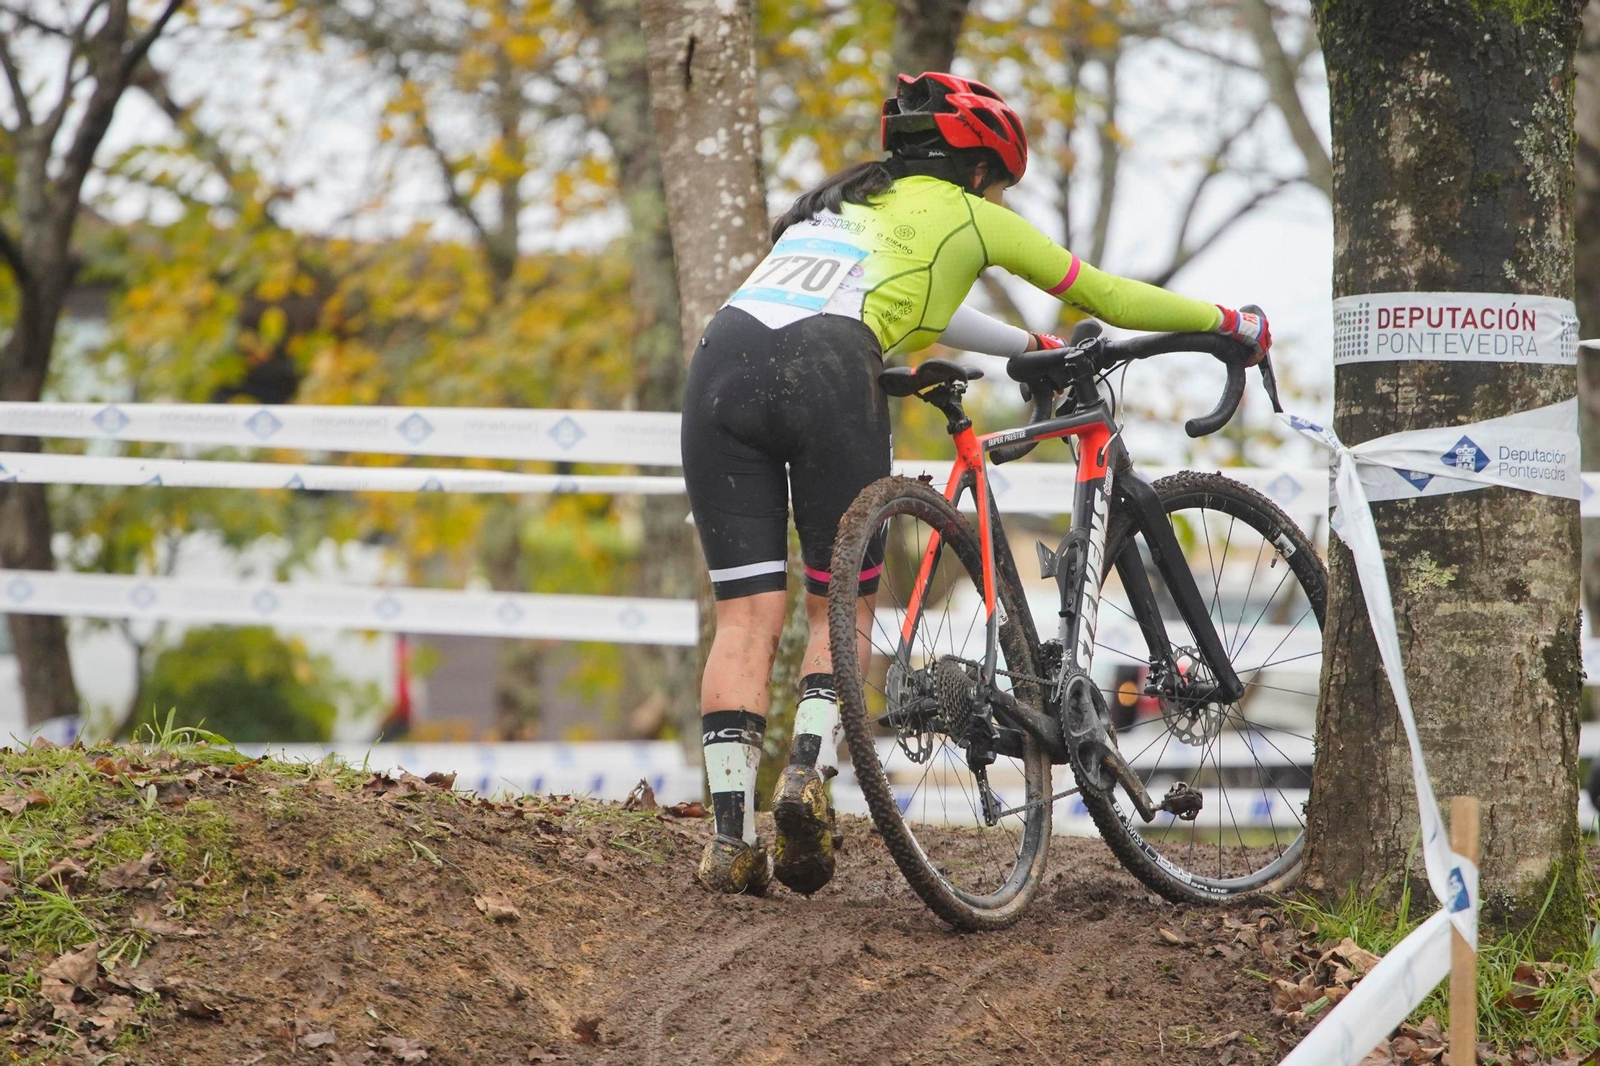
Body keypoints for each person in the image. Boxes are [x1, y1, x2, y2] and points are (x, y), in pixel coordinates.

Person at [682, 71, 1271, 895]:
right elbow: (1105, 294)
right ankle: (806, 781)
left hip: (721, 361)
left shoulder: (837, 206)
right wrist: (1229, 322)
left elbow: (920, 303)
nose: (997, 196)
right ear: (979, 170)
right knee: (838, 603)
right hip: (826, 364)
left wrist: (1024, 341)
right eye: (999, 183)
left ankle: (730, 840)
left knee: (746, 617)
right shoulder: (967, 214)